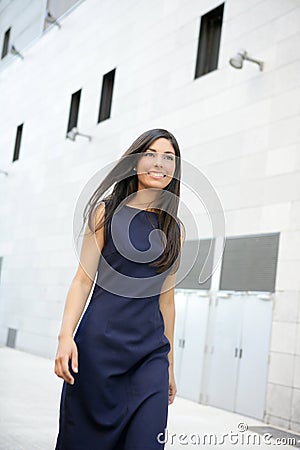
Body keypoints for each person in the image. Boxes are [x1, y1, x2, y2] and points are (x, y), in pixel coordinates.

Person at [54, 128, 185, 450]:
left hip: (149, 355)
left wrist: (168, 363)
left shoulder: (174, 227)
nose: (160, 163)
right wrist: (65, 337)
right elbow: (82, 280)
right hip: (98, 350)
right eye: (151, 154)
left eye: (169, 157)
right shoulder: (106, 212)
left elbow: (166, 300)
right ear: (134, 162)